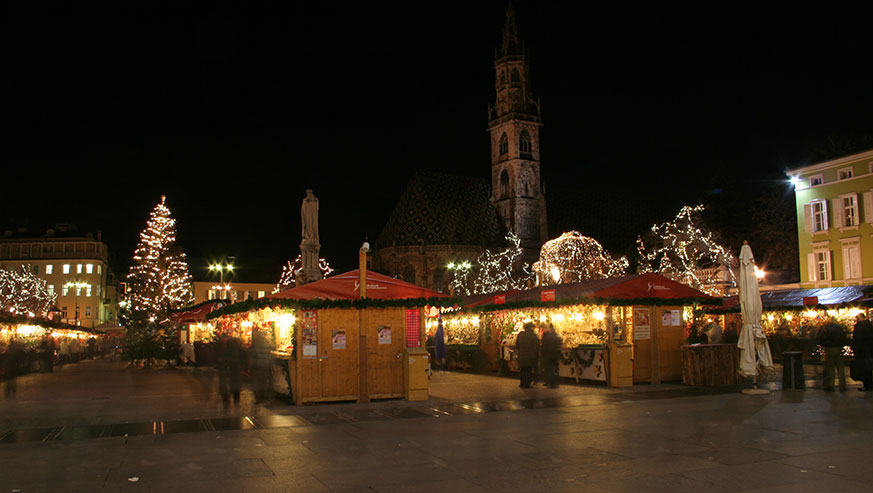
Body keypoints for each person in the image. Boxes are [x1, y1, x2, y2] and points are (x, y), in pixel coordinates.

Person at [817, 319, 848, 392]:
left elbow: (821, 339)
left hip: (829, 349)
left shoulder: (826, 329)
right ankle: (842, 385)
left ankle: (831, 385)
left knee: (830, 367)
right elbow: (844, 337)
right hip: (839, 348)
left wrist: (825, 345)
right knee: (840, 367)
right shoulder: (839, 328)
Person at [217, 334, 244, 404]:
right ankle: (234, 398)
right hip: (234, 367)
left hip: (229, 366)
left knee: (227, 383)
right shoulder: (237, 347)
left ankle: (228, 398)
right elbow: (242, 357)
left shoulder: (229, 347)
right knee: (233, 382)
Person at [250, 329, 274, 403]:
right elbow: (272, 347)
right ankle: (264, 397)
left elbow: (253, 354)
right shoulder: (266, 342)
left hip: (257, 364)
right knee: (264, 380)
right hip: (266, 363)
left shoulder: (255, 343)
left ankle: (259, 398)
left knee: (257, 382)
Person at [851, 312, 873, 391]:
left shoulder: (860, 328)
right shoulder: (869, 326)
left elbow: (857, 341)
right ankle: (869, 384)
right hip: (869, 350)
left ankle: (867, 385)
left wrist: (855, 349)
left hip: (862, 352)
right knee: (868, 368)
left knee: (864, 369)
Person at [515, 322, 539, 388]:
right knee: (528, 370)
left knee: (522, 370)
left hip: (522, 356)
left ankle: (522, 383)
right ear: (531, 327)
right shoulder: (533, 335)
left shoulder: (520, 334)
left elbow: (517, 345)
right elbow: (536, 346)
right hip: (530, 356)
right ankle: (527, 384)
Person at [541, 322, 563, 388]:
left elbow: (544, 347)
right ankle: (554, 382)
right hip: (555, 354)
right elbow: (560, 343)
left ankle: (550, 382)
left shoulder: (546, 336)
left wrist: (543, 353)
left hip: (548, 355)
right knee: (554, 369)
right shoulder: (556, 335)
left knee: (549, 369)